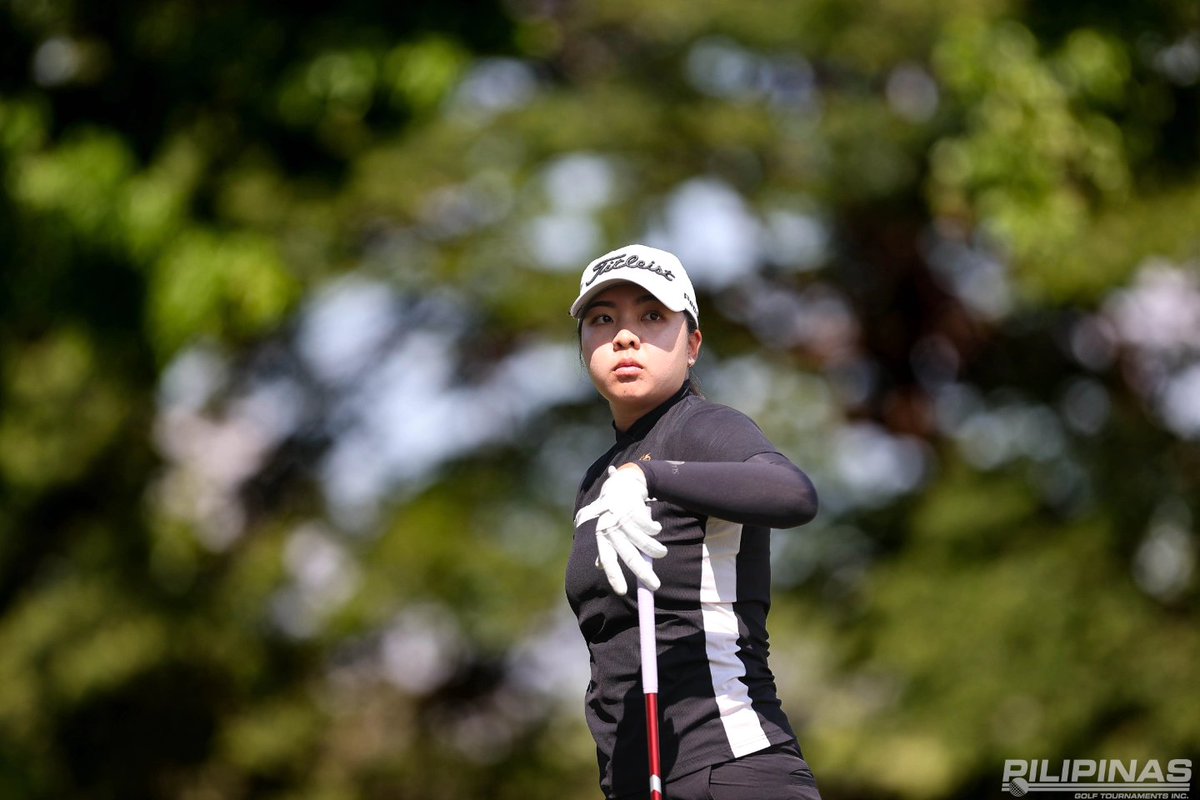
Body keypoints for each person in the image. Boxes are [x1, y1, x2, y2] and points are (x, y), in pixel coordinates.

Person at [565, 243, 823, 800]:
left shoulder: (705, 429)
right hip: (640, 783)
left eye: (652, 316)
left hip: (732, 770)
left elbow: (793, 494)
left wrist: (650, 477)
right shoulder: (595, 481)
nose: (625, 336)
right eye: (602, 319)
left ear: (693, 346)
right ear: (583, 345)